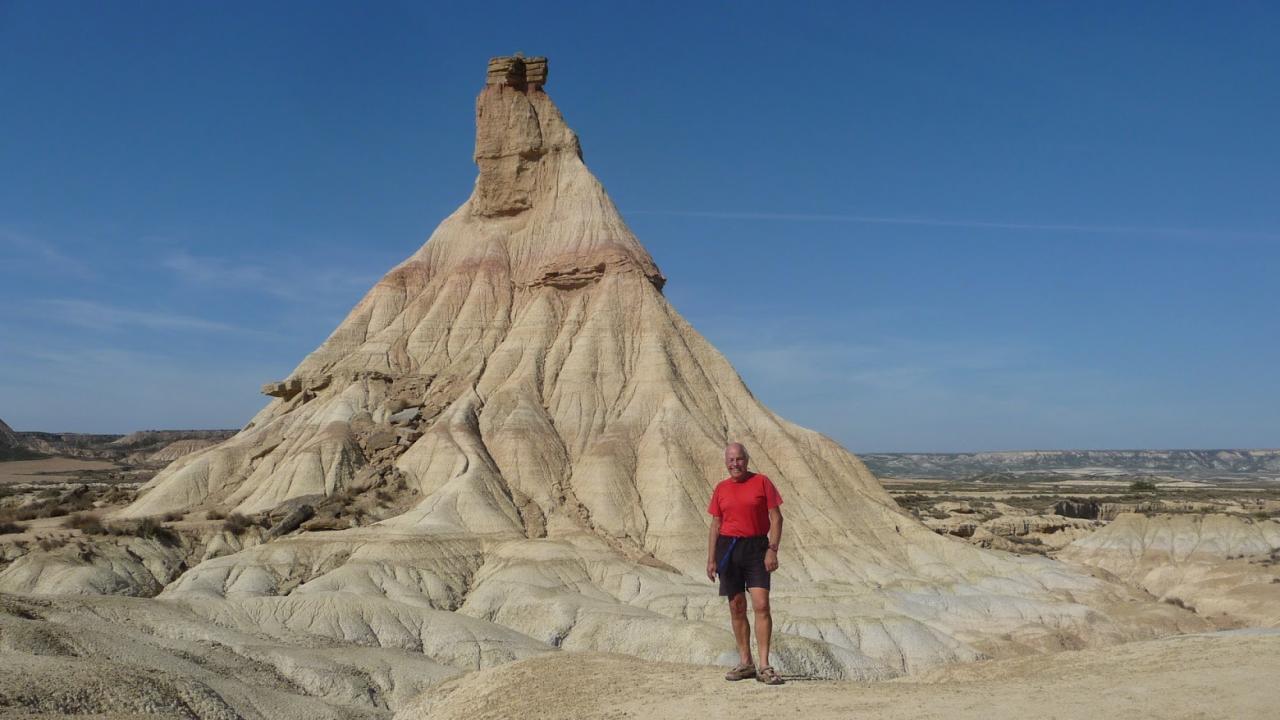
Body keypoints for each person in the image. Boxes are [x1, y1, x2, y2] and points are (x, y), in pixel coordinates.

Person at [705, 442, 785, 685]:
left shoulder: (762, 482)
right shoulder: (721, 488)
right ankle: (746, 663)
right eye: (730, 460)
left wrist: (772, 549)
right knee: (737, 607)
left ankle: (764, 665)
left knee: (761, 604)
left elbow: (776, 517)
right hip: (728, 548)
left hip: (756, 548)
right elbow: (716, 525)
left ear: (746, 460)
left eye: (739, 459)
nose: (734, 464)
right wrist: (711, 559)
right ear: (725, 463)